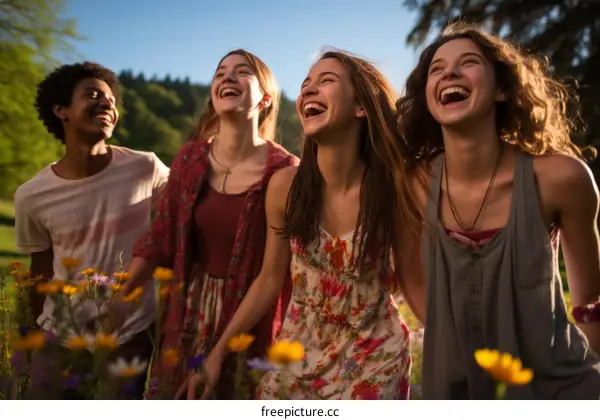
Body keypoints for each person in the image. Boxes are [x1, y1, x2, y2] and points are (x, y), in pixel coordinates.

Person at [183, 49, 416, 400]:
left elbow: (417, 286)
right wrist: (217, 354)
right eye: (306, 83)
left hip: (376, 358)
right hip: (295, 357)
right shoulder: (284, 187)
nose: (308, 89)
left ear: (361, 106)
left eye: (327, 81)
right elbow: (270, 278)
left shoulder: (394, 189)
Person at [395, 22, 600, 399]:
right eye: (436, 70)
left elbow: (590, 305)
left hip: (559, 387)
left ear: (503, 89)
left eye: (468, 62)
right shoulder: (411, 184)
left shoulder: (562, 178)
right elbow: (411, 277)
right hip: (454, 391)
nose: (450, 73)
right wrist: (458, 348)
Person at [123, 49, 299, 399]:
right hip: (186, 311)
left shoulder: (285, 170)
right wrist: (117, 295)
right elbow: (161, 237)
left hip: (248, 317)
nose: (227, 77)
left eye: (241, 72)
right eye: (220, 73)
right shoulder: (190, 157)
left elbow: (275, 272)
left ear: (265, 98)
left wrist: (221, 350)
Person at [14, 61, 170, 399]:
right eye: (93, 95)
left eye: (112, 100)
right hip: (61, 335)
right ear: (61, 110)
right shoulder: (31, 195)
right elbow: (40, 273)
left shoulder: (146, 168)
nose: (107, 104)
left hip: (131, 334)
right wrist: (27, 341)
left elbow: (188, 209)